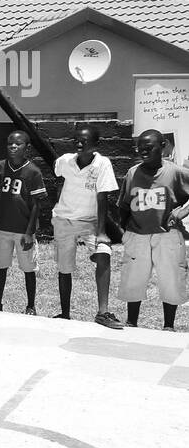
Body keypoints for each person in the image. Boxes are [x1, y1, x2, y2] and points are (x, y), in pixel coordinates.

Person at [117, 129, 189, 331]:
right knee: (134, 278)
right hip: (137, 235)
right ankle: (132, 322)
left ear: (163, 146)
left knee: (170, 277)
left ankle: (168, 325)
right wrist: (125, 232)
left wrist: (183, 212)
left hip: (166, 234)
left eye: (149, 148)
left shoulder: (174, 172)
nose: (143, 152)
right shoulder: (133, 173)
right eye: (140, 148)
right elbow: (124, 205)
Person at [51, 126, 122, 328]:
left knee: (103, 252)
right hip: (64, 220)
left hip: (89, 222)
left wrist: (101, 233)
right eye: (77, 140)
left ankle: (102, 312)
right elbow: (58, 177)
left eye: (84, 141)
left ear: (96, 145)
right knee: (64, 268)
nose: (79, 144)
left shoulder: (102, 164)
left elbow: (103, 198)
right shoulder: (65, 161)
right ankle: (65, 313)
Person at [0, 131, 47, 315]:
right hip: (2, 228)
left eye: (18, 144)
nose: (13, 147)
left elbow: (37, 205)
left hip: (23, 230)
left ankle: (31, 305)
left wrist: (30, 232)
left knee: (28, 268)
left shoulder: (33, 172)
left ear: (27, 148)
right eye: (10, 144)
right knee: (1, 266)